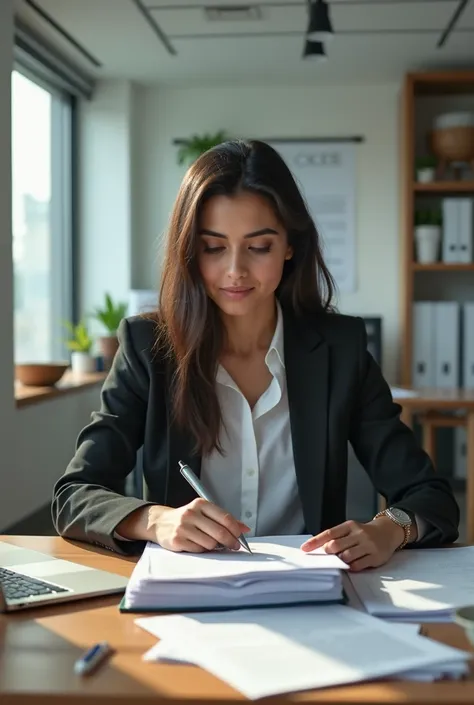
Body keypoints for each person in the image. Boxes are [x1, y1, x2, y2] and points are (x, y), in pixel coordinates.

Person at [52, 140, 459, 571]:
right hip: (191, 591)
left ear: (289, 245)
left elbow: (430, 496)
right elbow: (75, 495)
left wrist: (389, 527)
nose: (235, 271)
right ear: (190, 251)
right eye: (213, 247)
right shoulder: (147, 347)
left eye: (258, 247)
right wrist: (154, 520)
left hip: (308, 592)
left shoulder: (341, 349)